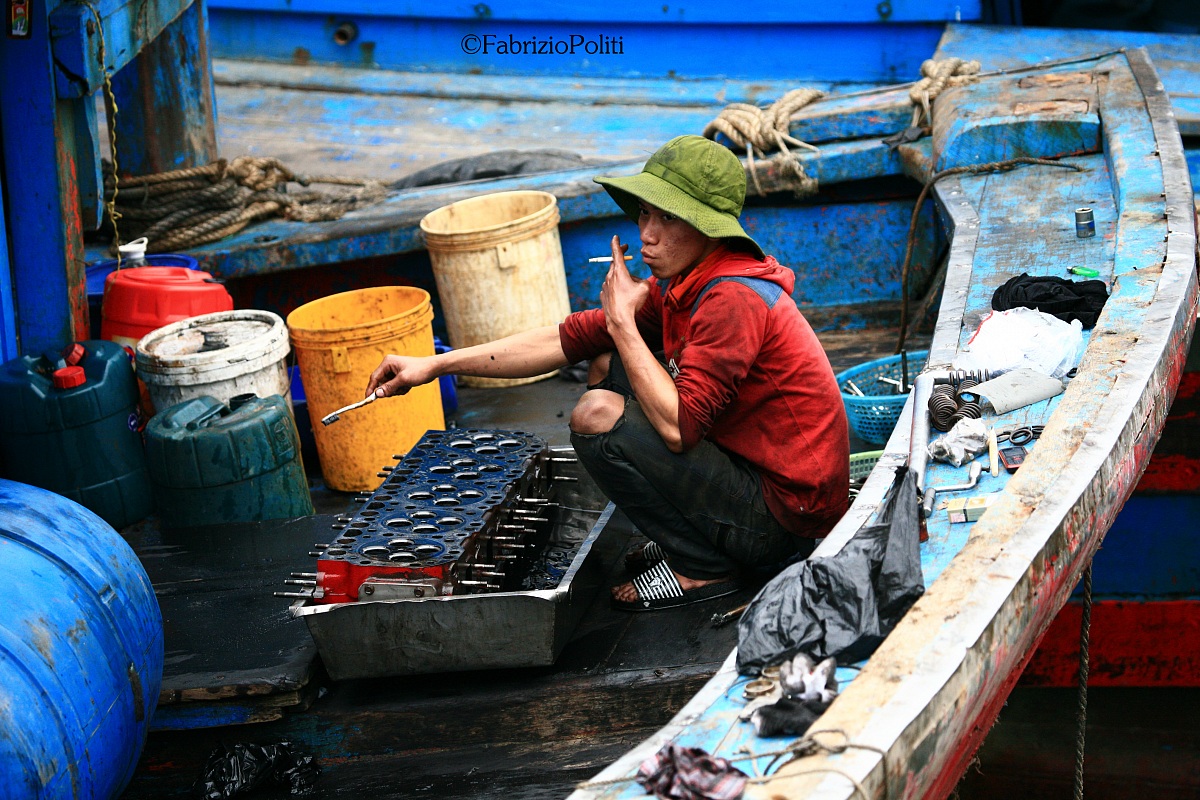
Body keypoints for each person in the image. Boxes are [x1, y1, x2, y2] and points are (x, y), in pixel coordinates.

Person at [365, 135, 849, 612]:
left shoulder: (731, 297)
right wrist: (434, 364)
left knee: (597, 412)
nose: (648, 234)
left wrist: (622, 321)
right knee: (604, 362)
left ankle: (703, 562)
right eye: (644, 213)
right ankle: (694, 532)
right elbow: (563, 339)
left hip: (788, 526)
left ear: (708, 229)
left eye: (668, 219)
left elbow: (680, 430)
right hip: (750, 480)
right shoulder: (685, 282)